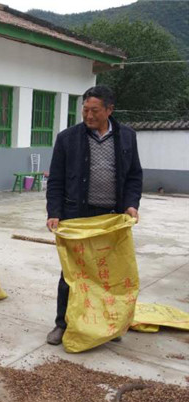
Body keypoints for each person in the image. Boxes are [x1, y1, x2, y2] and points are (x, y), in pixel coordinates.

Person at [45, 85, 142, 345]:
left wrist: (132, 205)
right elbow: (56, 180)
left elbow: (134, 176)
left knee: (107, 274)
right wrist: (54, 212)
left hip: (111, 217)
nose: (88, 116)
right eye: (85, 110)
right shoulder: (67, 138)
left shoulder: (127, 137)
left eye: (94, 110)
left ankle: (107, 325)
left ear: (110, 110)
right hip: (77, 215)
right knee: (72, 275)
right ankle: (62, 325)